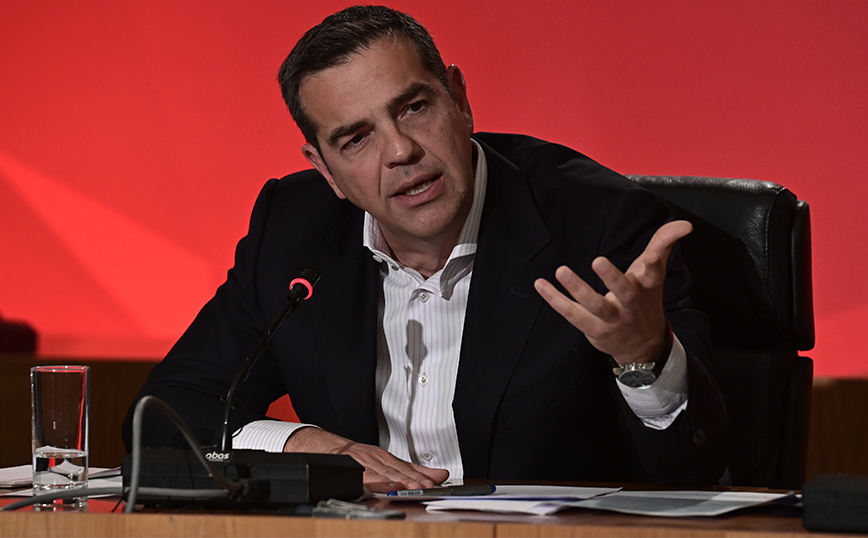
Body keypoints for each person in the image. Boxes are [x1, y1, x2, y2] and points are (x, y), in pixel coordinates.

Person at [123, 5, 729, 492]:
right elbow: (162, 413)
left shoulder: (599, 225)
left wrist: (642, 359)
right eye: (355, 139)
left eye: (413, 108)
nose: (400, 152)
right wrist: (305, 446)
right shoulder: (293, 231)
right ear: (325, 169)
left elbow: (695, 468)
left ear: (458, 99)